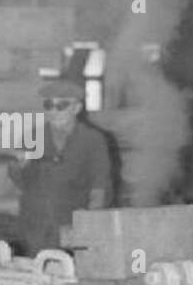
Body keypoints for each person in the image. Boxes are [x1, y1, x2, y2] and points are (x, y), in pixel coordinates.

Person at [8, 78, 114, 255]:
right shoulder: (33, 136)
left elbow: (100, 187)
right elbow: (20, 182)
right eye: (49, 105)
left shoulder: (92, 140)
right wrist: (19, 166)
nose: (54, 111)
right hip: (35, 226)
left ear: (77, 108)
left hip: (72, 224)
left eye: (62, 105)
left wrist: (90, 226)